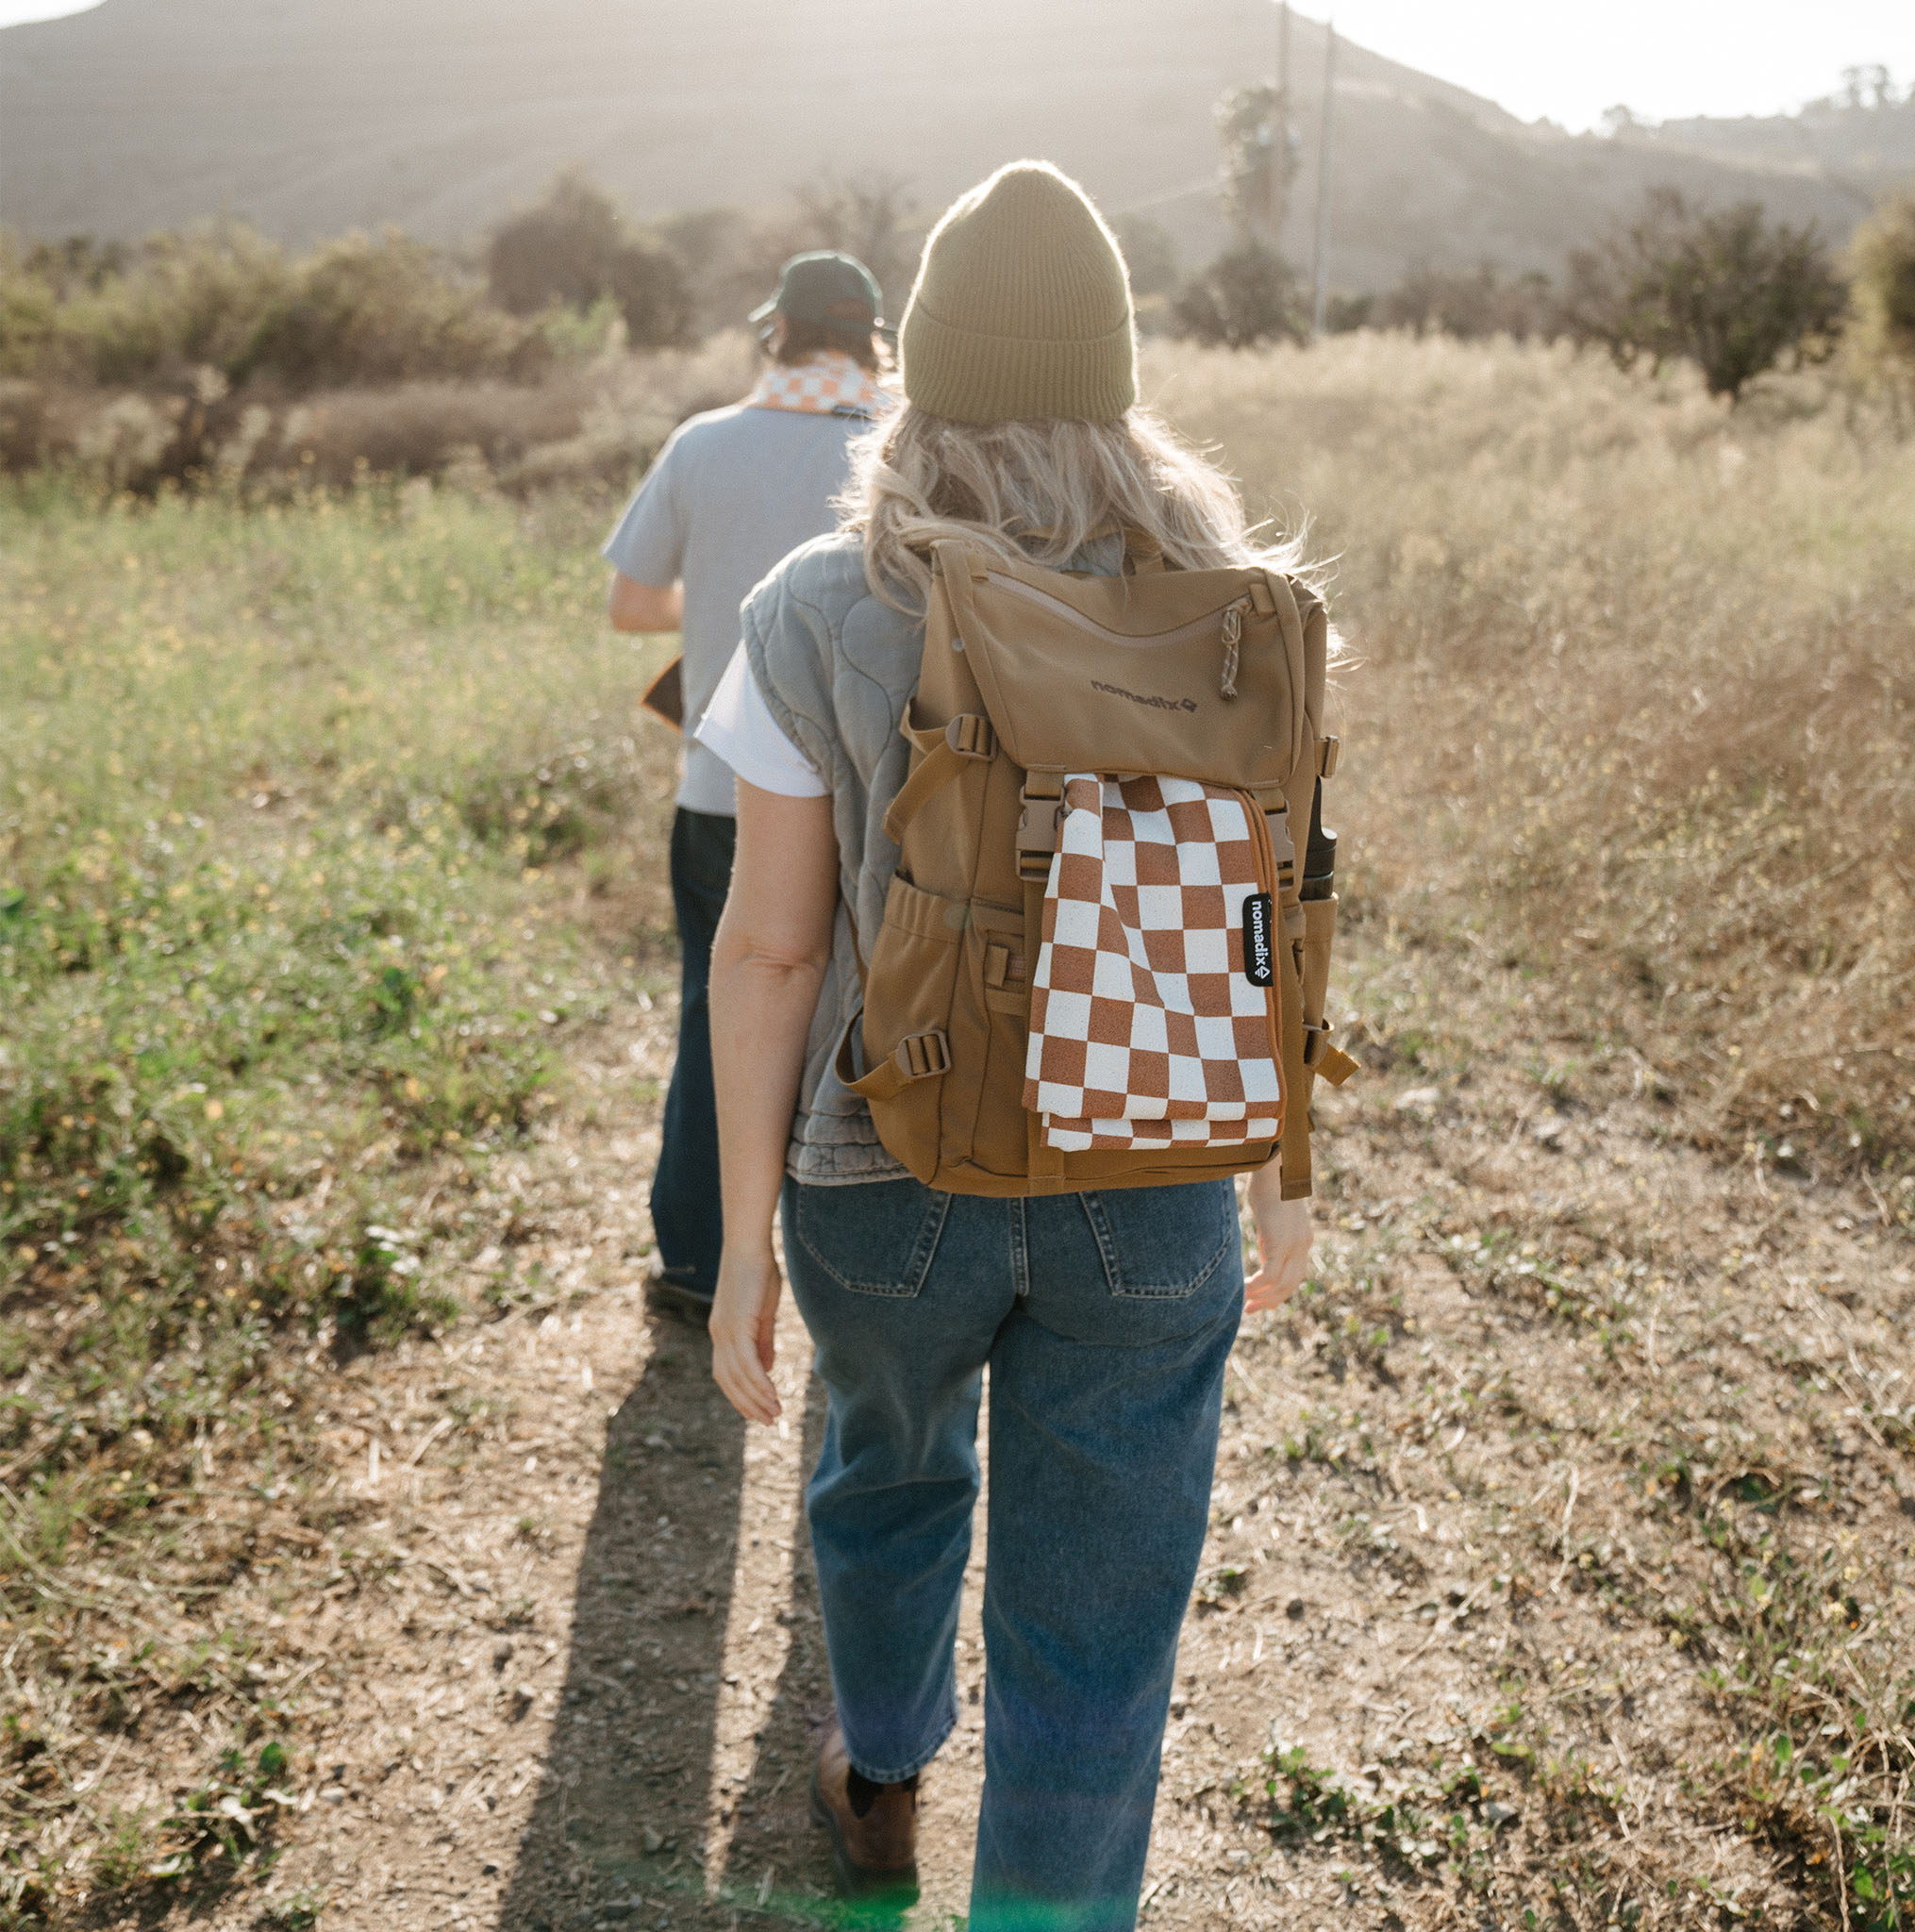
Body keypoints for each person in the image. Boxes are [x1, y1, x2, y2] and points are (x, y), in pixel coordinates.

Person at [693, 162, 1323, 1926]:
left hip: (883, 1165)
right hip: (1154, 1161)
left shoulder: (820, 606)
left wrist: (741, 1231)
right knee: (1103, 1609)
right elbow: (1279, 904)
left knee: (886, 1470)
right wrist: (1279, 1178)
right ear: (1111, 380)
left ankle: (881, 1764)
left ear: (926, 379)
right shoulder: (1234, 603)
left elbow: (768, 941)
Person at [605, 249, 892, 1323]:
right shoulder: (903, 450)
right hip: (874, 799)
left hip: (723, 794)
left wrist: (721, 586)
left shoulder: (703, 444)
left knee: (710, 1009)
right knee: (868, 1023)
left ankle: (696, 1262)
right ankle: (854, 1268)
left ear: (775, 332)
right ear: (871, 338)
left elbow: (632, 606)